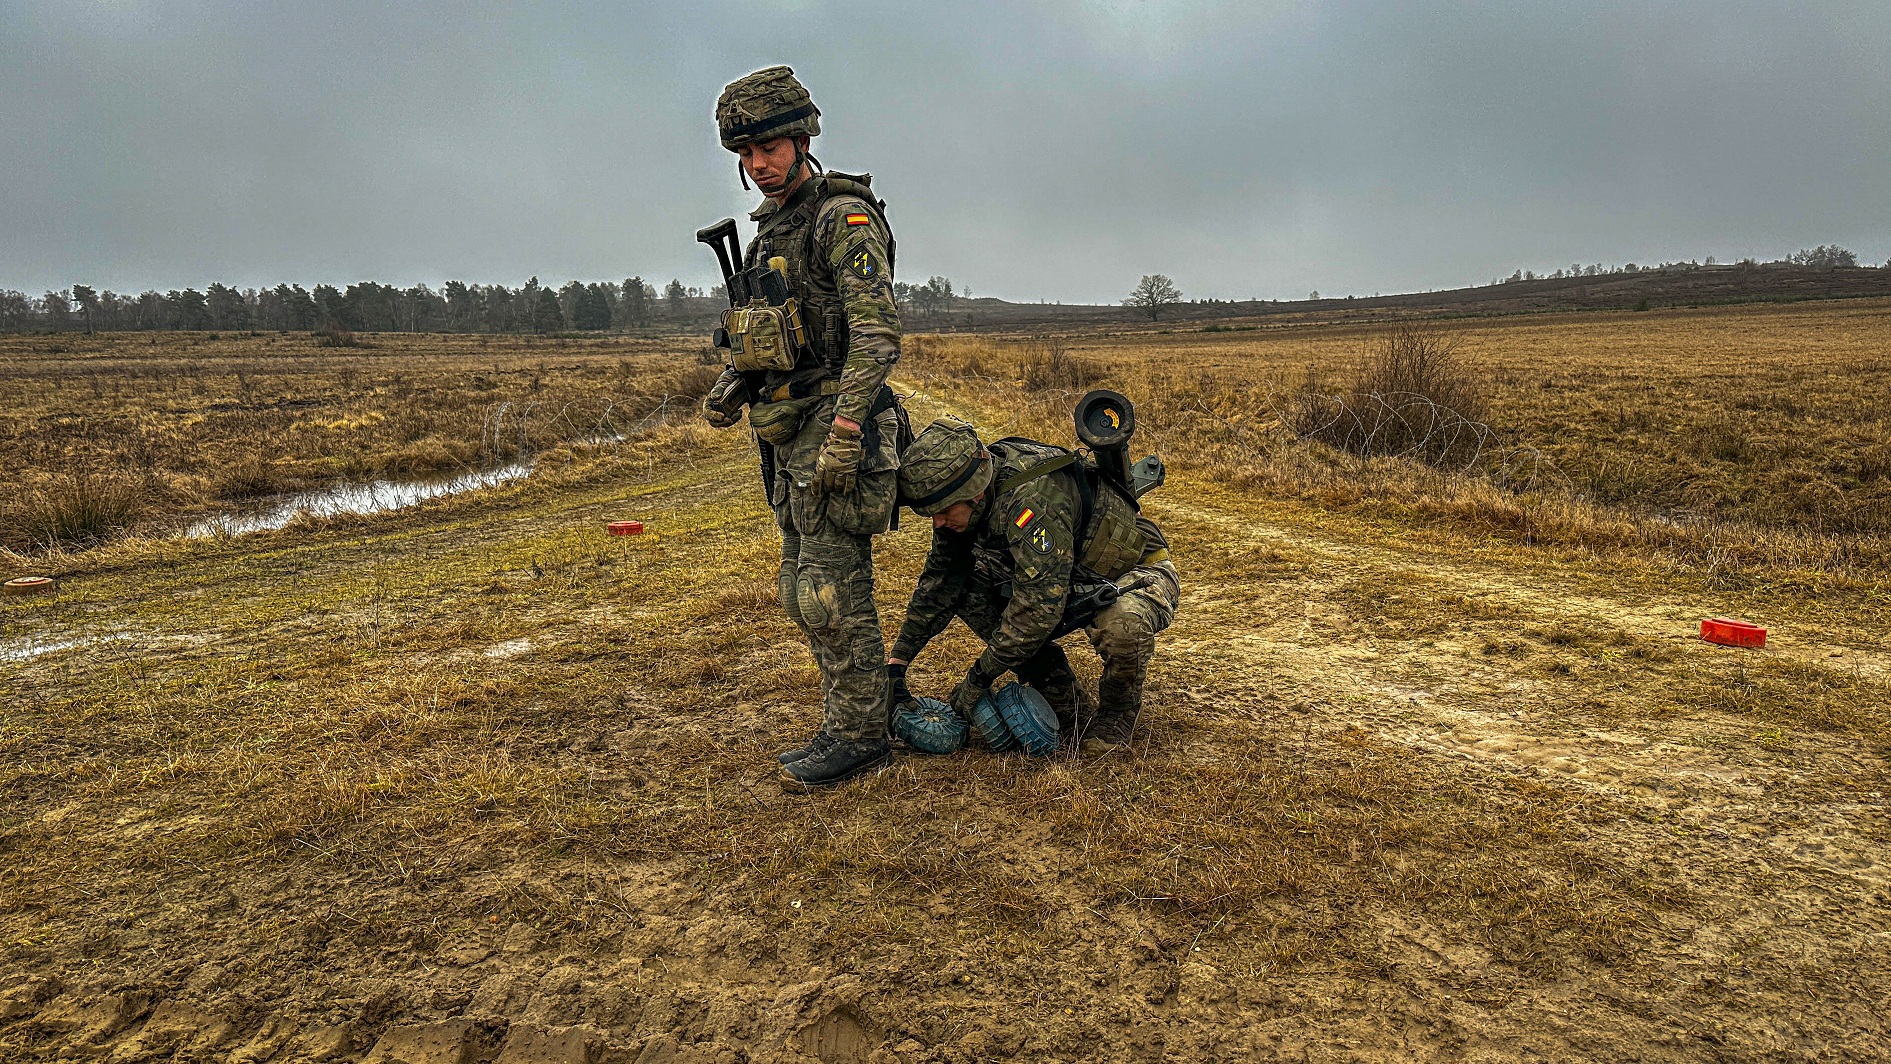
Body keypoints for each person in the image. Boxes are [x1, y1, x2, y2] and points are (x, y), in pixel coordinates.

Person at [698, 65, 905, 791]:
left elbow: (876, 336)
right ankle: (858, 712)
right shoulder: (768, 236)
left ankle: (860, 736)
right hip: (786, 431)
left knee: (830, 590)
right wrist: (731, 386)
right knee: (799, 590)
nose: (757, 166)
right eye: (744, 156)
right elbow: (771, 339)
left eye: (768, 149)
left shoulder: (839, 219)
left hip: (834, 426)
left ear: (801, 138)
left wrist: (846, 429)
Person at [887, 416, 1180, 754]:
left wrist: (978, 679)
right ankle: (1057, 688)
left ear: (975, 493)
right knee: (967, 585)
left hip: (1130, 572)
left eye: (942, 511)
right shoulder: (964, 501)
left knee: (1123, 623)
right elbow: (941, 582)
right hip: (1060, 574)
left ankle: (1118, 709)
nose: (937, 522)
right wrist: (898, 663)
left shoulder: (1031, 501)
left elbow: (1036, 610)